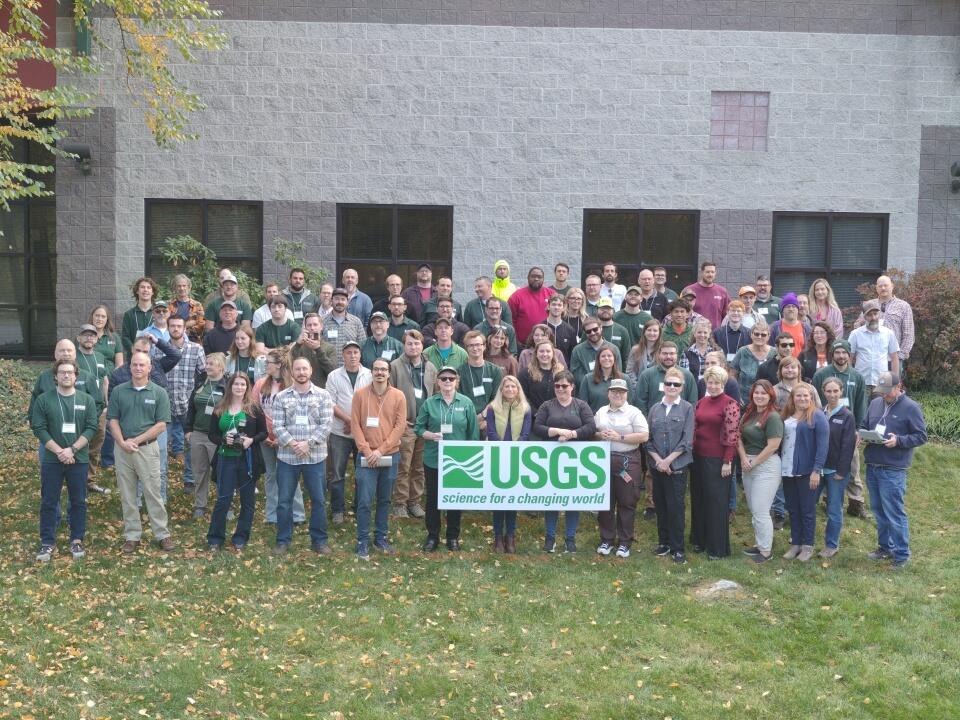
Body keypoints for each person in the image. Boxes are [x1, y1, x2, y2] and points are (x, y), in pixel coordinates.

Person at [31, 359, 99, 562]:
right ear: (56, 376)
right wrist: (60, 451)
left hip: (78, 459)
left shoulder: (86, 400)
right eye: (62, 372)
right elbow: (39, 428)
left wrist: (73, 449)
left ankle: (77, 539)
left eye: (70, 372)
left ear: (76, 376)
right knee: (49, 501)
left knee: (78, 501)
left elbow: (91, 427)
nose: (66, 375)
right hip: (52, 459)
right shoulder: (44, 400)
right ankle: (47, 543)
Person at [107, 351, 175, 553]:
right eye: (134, 364)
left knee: (153, 492)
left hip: (147, 449)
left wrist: (134, 441)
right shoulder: (119, 391)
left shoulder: (159, 392)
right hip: (122, 450)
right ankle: (132, 535)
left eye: (142, 365)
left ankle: (162, 534)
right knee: (127, 495)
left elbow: (161, 425)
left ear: (149, 368)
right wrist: (121, 442)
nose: (138, 368)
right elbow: (113, 420)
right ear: (130, 367)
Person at [861, 372, 927, 569]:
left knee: (894, 512)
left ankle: (901, 554)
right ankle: (885, 548)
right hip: (872, 465)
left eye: (887, 392)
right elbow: (865, 424)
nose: (884, 395)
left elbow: (921, 436)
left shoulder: (911, 408)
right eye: (881, 392)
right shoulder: (875, 404)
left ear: (900, 387)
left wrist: (899, 440)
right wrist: (862, 434)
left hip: (893, 469)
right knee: (878, 510)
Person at [271, 356, 335, 556]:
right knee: (284, 501)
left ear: (310, 371)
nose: (301, 372)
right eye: (297, 369)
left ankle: (319, 541)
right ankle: (283, 540)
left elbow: (326, 425)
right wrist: (293, 444)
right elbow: (277, 426)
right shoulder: (281, 397)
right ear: (292, 373)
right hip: (287, 458)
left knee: (318, 499)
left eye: (304, 369)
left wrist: (308, 443)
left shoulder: (323, 396)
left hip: (315, 457)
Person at [415, 365, 480, 551]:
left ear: (457, 382)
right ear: (438, 382)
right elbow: (418, 428)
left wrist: (470, 457)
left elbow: (473, 433)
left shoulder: (466, 403)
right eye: (443, 379)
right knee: (433, 499)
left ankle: (453, 536)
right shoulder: (430, 403)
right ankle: (432, 536)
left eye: (451, 379)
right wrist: (430, 435)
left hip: (458, 460)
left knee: (454, 498)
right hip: (434, 458)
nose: (447, 382)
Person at [533, 369, 596, 553]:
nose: (561, 389)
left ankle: (570, 538)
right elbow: (537, 427)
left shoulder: (581, 405)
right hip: (551, 457)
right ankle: (550, 537)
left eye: (564, 386)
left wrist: (572, 434)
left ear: (572, 387)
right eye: (557, 386)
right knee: (552, 498)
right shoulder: (547, 405)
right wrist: (556, 431)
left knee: (572, 499)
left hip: (576, 458)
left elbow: (591, 426)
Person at [351, 357, 407, 559]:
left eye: (384, 369)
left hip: (389, 456)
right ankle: (362, 541)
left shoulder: (399, 396)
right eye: (376, 369)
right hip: (365, 457)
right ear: (371, 372)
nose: (380, 373)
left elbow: (400, 427)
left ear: (389, 373)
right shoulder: (360, 395)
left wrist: (381, 451)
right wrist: (367, 451)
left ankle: (381, 538)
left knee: (385, 500)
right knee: (365, 501)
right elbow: (355, 425)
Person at [206, 372, 267, 551]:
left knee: (247, 501)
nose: (239, 387)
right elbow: (212, 435)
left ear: (247, 387)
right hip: (226, 459)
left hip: (247, 460)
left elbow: (264, 433)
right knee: (223, 499)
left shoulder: (254, 408)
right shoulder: (220, 409)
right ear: (230, 386)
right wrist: (224, 440)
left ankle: (241, 537)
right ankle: (215, 539)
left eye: (243, 384)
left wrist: (251, 440)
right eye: (236, 384)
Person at [811, 339, 870, 519]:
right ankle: (828, 498)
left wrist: (859, 429)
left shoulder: (857, 376)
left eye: (844, 352)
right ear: (832, 354)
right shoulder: (822, 374)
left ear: (849, 354)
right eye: (838, 352)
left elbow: (861, 404)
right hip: (825, 425)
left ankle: (855, 502)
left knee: (851, 464)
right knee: (825, 462)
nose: (841, 356)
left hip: (848, 427)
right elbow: (814, 401)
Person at [594, 378, 649, 558]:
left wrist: (620, 437)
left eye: (621, 392)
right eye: (614, 391)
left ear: (626, 394)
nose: (617, 394)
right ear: (608, 393)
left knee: (626, 501)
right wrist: (599, 434)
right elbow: (592, 432)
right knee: (605, 501)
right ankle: (606, 539)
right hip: (603, 460)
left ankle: (625, 542)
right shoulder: (601, 411)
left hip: (627, 460)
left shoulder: (634, 412)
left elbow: (644, 436)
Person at [645, 367, 695, 564]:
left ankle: (677, 547)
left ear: (681, 387)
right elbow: (648, 439)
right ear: (663, 386)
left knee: (676, 507)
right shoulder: (654, 409)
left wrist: (668, 461)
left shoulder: (687, 408)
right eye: (668, 383)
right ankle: (663, 543)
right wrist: (658, 460)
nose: (672, 387)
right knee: (661, 504)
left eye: (676, 384)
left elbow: (687, 441)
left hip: (677, 466)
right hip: (657, 466)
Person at [690, 365, 740, 559]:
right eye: (709, 382)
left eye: (716, 383)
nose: (712, 386)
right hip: (698, 457)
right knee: (699, 499)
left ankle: (717, 547)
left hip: (719, 459)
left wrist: (727, 460)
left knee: (716, 503)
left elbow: (732, 434)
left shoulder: (730, 403)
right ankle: (700, 540)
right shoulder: (701, 402)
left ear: (723, 384)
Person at [252, 349, 306, 526]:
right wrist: (264, 436)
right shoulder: (260, 384)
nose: (265, 365)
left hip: (288, 439)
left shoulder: (292, 386)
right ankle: (272, 515)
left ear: (279, 365)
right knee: (271, 475)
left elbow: (297, 414)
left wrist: (283, 438)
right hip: (266, 438)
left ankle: (297, 514)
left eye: (269, 362)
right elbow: (255, 410)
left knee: (291, 475)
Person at [390, 330, 436, 519]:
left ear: (422, 345)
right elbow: (390, 395)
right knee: (403, 465)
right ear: (404, 345)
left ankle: (414, 502)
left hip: (424, 426)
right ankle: (399, 503)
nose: (413, 347)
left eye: (416, 344)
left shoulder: (431, 367)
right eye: (409, 344)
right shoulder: (395, 366)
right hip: (405, 424)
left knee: (419, 467)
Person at [780, 382, 829, 562]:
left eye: (805, 396)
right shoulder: (787, 415)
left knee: (807, 510)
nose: (802, 399)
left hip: (808, 471)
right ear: (792, 398)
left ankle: (808, 546)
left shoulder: (817, 416)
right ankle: (796, 544)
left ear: (811, 397)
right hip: (787, 469)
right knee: (793, 508)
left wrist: (817, 470)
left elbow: (823, 446)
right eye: (798, 396)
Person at [325, 341, 372, 525]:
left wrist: (356, 424)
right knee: (337, 472)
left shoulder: (369, 375)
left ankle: (360, 507)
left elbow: (373, 402)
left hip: (364, 432)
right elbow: (330, 402)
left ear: (360, 355)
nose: (352, 356)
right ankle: (337, 509)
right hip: (339, 431)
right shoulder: (334, 376)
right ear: (343, 355)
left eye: (355, 352)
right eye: (348, 352)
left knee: (363, 473)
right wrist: (348, 420)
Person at [737, 380, 784, 564]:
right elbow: (738, 437)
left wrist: (754, 462)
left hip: (766, 466)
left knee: (761, 510)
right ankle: (759, 543)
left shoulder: (773, 417)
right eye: (756, 392)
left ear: (770, 395)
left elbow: (773, 445)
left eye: (763, 393)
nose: (759, 396)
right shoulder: (749, 413)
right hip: (747, 462)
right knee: (753, 509)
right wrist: (743, 458)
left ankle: (765, 551)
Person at [486, 375, 532, 554]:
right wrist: (502, 448)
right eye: (507, 387)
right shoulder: (492, 408)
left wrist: (514, 449)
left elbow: (526, 434)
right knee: (499, 499)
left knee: (512, 499)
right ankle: (498, 536)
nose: (510, 390)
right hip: (498, 456)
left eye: (514, 387)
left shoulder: (526, 408)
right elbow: (490, 431)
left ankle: (510, 536)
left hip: (517, 457)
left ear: (518, 389)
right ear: (502, 390)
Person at [184, 353, 228, 518]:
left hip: (218, 436)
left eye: (211, 364)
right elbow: (191, 407)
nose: (207, 366)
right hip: (198, 433)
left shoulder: (227, 386)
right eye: (207, 363)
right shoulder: (201, 382)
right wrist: (188, 429)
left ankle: (225, 504)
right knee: (199, 471)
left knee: (221, 471)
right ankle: (200, 505)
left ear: (221, 367)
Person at [818, 377, 858, 559]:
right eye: (829, 391)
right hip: (817, 469)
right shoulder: (819, 413)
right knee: (809, 505)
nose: (832, 395)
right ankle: (805, 541)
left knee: (834, 509)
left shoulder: (847, 416)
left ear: (841, 392)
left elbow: (848, 446)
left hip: (836, 471)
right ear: (823, 392)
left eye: (836, 391)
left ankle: (831, 545)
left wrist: (842, 472)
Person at [165, 315, 205, 490]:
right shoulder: (159, 348)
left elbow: (204, 375)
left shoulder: (196, 349)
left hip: (188, 404)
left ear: (184, 328)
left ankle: (189, 478)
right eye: (172, 326)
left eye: (179, 326)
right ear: (168, 328)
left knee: (191, 444)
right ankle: (161, 478)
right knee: (160, 445)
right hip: (164, 404)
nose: (175, 329)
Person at [854, 275, 915, 371]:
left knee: (892, 385)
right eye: (880, 286)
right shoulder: (869, 304)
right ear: (876, 288)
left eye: (886, 285)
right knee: (873, 386)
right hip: (872, 358)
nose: (883, 288)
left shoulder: (903, 306)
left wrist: (900, 356)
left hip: (894, 358)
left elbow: (909, 334)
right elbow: (858, 325)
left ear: (892, 286)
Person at [458, 330, 503, 436]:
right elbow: (458, 399)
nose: (475, 348)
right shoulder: (459, 372)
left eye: (478, 344)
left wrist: (484, 416)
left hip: (489, 419)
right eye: (471, 345)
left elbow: (497, 399)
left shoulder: (495, 371)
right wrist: (473, 420)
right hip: (465, 419)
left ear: (484, 346)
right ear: (466, 348)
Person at [849, 299, 900, 386]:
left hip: (882, 381)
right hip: (861, 381)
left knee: (882, 400)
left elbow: (894, 358)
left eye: (875, 314)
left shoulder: (888, 333)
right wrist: (850, 380)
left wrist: (895, 381)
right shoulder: (855, 334)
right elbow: (849, 358)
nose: (873, 318)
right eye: (869, 315)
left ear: (879, 314)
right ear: (864, 317)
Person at [570, 317, 622, 388]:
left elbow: (617, 372)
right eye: (588, 331)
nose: (592, 333)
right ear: (585, 333)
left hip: (609, 390)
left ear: (601, 328)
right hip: (587, 390)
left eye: (595, 329)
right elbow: (576, 376)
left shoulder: (614, 349)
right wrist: (594, 385)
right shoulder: (577, 351)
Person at [508, 266, 554, 345]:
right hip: (523, 345)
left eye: (539, 277)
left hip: (547, 346)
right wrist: (515, 341)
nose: (536, 279)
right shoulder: (516, 296)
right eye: (533, 276)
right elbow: (510, 320)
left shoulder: (551, 294)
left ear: (543, 279)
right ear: (528, 278)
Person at [290, 312, 339, 387]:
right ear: (305, 328)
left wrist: (318, 349)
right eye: (309, 325)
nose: (312, 328)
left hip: (323, 390)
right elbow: (288, 364)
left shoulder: (330, 348)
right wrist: (297, 344)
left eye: (315, 324)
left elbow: (332, 371)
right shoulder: (299, 346)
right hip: (301, 389)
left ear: (321, 327)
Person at [578, 346, 628, 412]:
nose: (606, 358)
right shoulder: (587, 379)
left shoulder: (624, 379)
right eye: (603, 356)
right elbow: (583, 405)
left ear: (614, 359)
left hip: (620, 420)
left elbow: (630, 403)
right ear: (598, 359)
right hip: (594, 420)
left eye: (609, 356)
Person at [681, 262, 730, 329]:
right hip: (693, 335)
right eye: (707, 272)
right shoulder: (688, 290)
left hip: (715, 335)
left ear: (715, 273)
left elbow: (727, 316)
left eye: (712, 272)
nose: (710, 274)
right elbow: (680, 312)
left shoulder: (722, 292)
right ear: (702, 272)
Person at [519, 340, 563, 414]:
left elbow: (568, 395)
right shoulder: (525, 374)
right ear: (536, 354)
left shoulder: (562, 373)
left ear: (553, 354)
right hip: (533, 416)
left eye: (548, 351)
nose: (545, 354)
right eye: (541, 351)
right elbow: (521, 396)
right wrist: (535, 413)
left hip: (558, 415)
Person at [323, 287, 367, 359]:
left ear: (348, 302)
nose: (340, 302)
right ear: (331, 301)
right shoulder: (322, 321)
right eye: (336, 299)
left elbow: (363, 346)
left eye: (343, 299)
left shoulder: (356, 322)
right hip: (328, 368)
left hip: (350, 367)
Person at [121, 277, 159, 357]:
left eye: (148, 288)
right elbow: (125, 337)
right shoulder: (129, 314)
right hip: (133, 358)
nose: (145, 290)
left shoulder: (159, 313)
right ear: (137, 291)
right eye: (142, 287)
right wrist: (134, 350)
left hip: (154, 356)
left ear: (152, 292)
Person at [169, 274, 206, 342]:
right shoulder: (169, 305)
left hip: (192, 342)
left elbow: (201, 327)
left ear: (189, 288)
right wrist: (187, 324)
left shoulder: (197, 305)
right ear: (175, 288)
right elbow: (166, 326)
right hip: (172, 342)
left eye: (184, 286)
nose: (182, 288)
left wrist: (179, 329)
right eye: (179, 286)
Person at [625, 318, 662, 384]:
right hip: (637, 388)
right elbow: (629, 372)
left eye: (655, 331)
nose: (652, 333)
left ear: (659, 333)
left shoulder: (663, 350)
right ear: (644, 332)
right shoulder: (635, 349)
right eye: (649, 330)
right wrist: (638, 387)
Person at [596, 298, 631, 366]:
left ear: (613, 311)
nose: (605, 311)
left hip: (616, 371)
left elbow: (626, 357)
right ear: (597, 310)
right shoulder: (591, 329)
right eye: (602, 309)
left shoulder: (622, 331)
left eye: (608, 309)